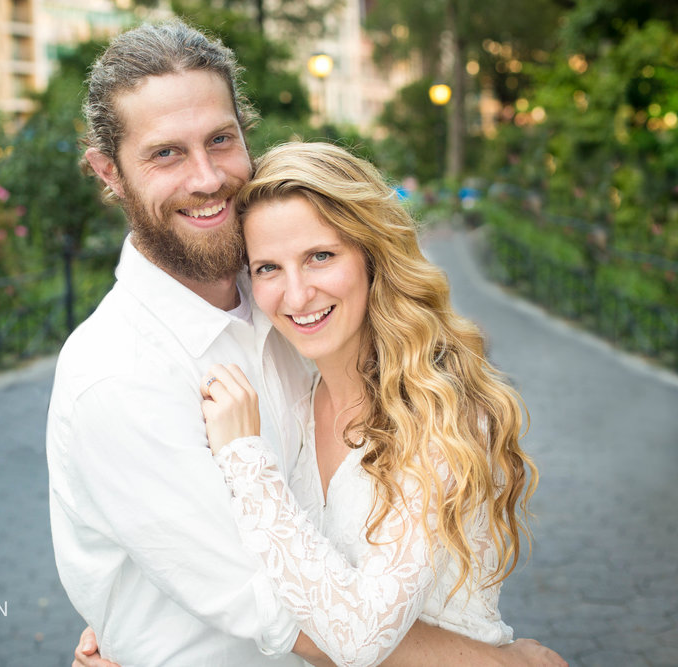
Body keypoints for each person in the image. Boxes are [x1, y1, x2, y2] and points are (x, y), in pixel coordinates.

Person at [48, 18, 566, 667]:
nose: (207, 177)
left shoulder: (278, 302)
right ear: (109, 171)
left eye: (220, 139)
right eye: (165, 153)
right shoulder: (118, 375)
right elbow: (283, 610)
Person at [198, 141, 544, 665]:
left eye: (320, 256)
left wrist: (246, 460)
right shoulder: (295, 397)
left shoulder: (440, 410)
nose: (296, 296)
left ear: (371, 254)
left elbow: (360, 639)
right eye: (268, 268)